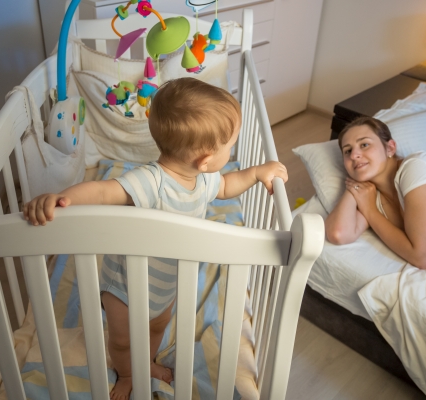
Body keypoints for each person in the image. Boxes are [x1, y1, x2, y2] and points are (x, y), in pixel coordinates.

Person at [23, 77, 287, 400]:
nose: (231, 153)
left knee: (156, 329)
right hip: (126, 286)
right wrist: (63, 198)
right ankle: (128, 373)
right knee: (122, 339)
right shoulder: (152, 182)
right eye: (229, 147)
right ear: (205, 159)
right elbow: (105, 192)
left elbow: (228, 185)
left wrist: (258, 173)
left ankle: (145, 362)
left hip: (168, 283)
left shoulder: (204, 180)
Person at [325, 116, 426, 269]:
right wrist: (353, 185)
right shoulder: (369, 194)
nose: (354, 155)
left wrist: (370, 211)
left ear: (390, 148)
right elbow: (338, 234)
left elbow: (422, 258)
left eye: (364, 144)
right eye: (347, 151)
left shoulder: (415, 167)